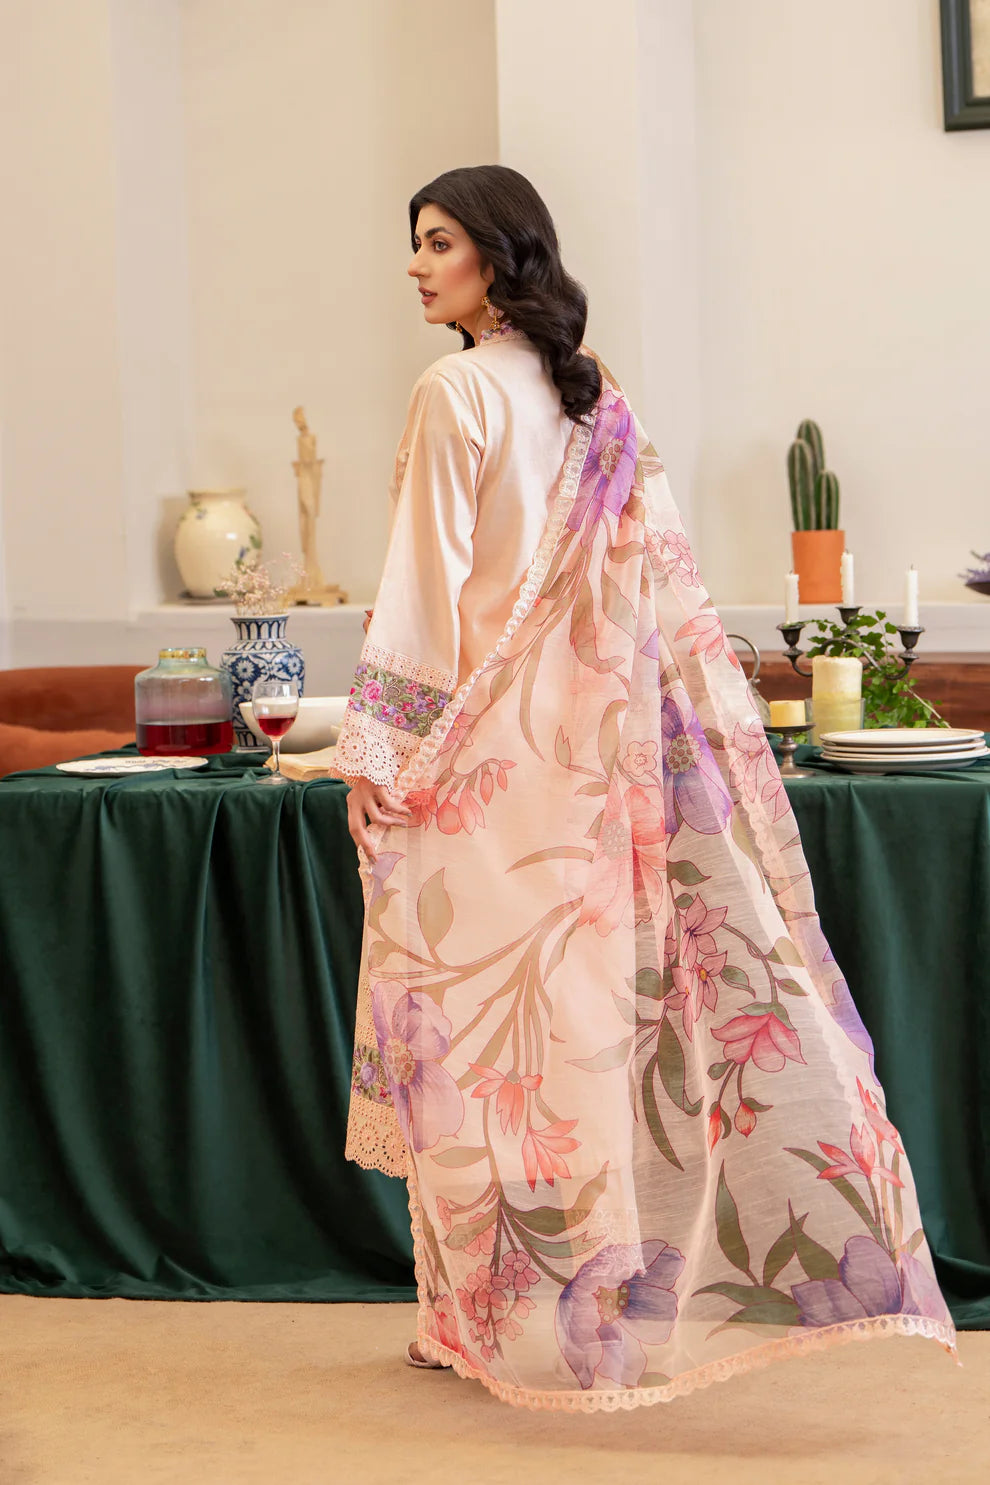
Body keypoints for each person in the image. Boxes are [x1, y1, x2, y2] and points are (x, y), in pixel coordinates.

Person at [329, 165, 956, 1411]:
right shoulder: (594, 390)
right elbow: (653, 592)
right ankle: (570, 1325)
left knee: (473, 1041)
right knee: (576, 1041)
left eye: (439, 243)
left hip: (480, 763)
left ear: (500, 255)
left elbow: (425, 591)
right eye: (416, 243)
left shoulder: (455, 389)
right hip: (592, 758)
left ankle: (470, 1323)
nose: (416, 265)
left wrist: (381, 756)